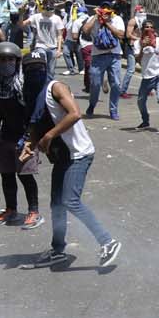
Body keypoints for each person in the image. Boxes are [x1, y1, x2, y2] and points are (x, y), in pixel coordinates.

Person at [20, 53, 121, 268]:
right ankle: (57, 250)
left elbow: (75, 114)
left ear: (45, 67)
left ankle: (108, 241)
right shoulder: (32, 95)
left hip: (78, 153)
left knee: (70, 201)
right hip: (62, 156)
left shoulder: (55, 87)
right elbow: (37, 124)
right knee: (57, 204)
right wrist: (30, 144)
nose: (34, 72)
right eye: (29, 68)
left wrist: (49, 136)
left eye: (38, 67)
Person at [0, 43, 42, 230]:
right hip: (6, 135)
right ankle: (11, 209)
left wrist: (30, 138)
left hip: (26, 135)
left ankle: (34, 211)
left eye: (11, 60)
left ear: (18, 62)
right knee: (6, 174)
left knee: (25, 174)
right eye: (2, 60)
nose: (6, 63)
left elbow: (35, 111)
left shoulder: (25, 83)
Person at [82, 5, 126, 120]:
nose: (105, 11)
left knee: (116, 84)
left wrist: (107, 23)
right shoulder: (94, 18)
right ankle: (92, 104)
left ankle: (113, 110)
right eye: (103, 9)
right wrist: (96, 17)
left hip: (114, 55)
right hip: (98, 56)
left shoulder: (117, 19)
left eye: (108, 9)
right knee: (95, 84)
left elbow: (121, 35)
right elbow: (85, 30)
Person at [133, 19, 159, 133]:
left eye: (150, 27)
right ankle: (145, 121)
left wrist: (155, 50)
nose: (148, 29)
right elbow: (138, 60)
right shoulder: (137, 43)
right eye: (146, 27)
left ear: (154, 29)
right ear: (142, 29)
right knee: (140, 101)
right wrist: (142, 49)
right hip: (147, 76)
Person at [27, 0, 65, 76]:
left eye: (51, 9)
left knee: (51, 71)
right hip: (40, 45)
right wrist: (21, 14)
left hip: (52, 47)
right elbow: (23, 24)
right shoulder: (37, 16)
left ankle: (49, 85)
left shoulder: (56, 18)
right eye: (47, 9)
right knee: (41, 66)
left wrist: (59, 49)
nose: (49, 12)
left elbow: (60, 35)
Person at [118, 4, 147, 99]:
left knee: (146, 68)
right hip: (132, 47)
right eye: (141, 11)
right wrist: (138, 39)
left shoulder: (145, 21)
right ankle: (123, 91)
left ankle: (147, 89)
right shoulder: (133, 21)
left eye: (143, 11)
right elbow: (128, 34)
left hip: (141, 47)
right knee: (131, 70)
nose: (143, 13)